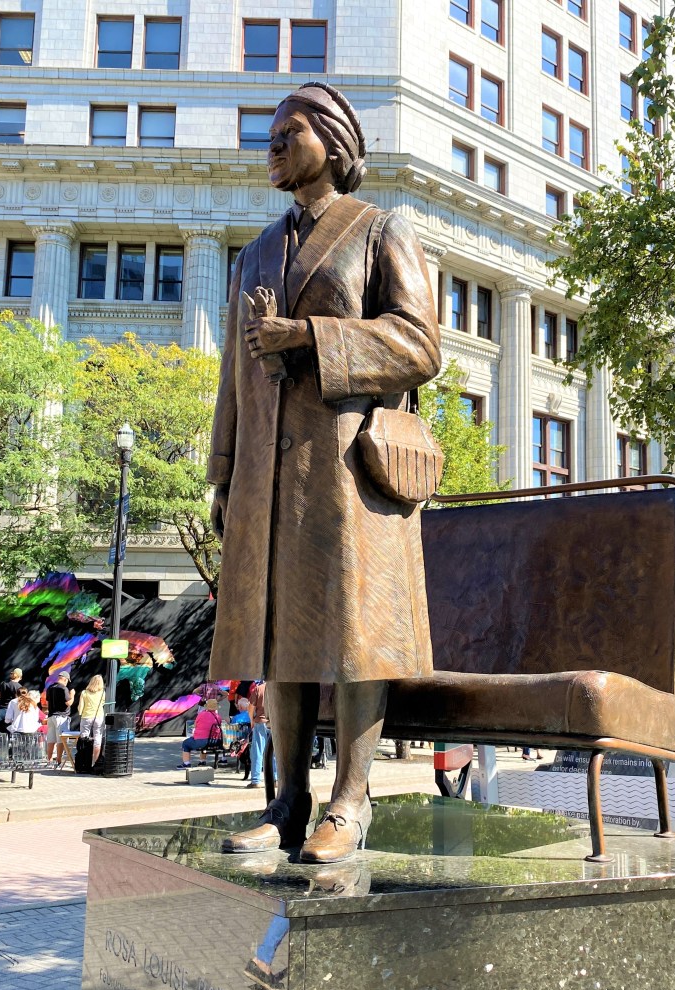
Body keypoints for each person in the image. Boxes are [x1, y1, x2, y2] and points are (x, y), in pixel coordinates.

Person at [211, 83, 440, 862]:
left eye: (291, 131)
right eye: (270, 133)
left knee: (353, 631)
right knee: (276, 634)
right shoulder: (255, 252)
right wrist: (224, 474)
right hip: (268, 479)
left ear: (335, 143)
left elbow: (419, 345)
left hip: (347, 471)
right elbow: (233, 374)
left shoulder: (379, 229)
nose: (273, 144)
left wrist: (308, 336)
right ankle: (285, 802)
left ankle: (350, 800)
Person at [178, 698, 222, 769]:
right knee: (204, 741)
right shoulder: (217, 717)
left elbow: (195, 725)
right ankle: (202, 761)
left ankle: (186, 763)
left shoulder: (201, 714)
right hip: (214, 741)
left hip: (201, 741)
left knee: (185, 743)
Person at [45, 671, 75, 766]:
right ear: (65, 679)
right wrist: (72, 694)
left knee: (51, 739)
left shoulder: (50, 688)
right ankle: (58, 761)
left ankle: (49, 759)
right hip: (61, 717)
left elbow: (47, 702)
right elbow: (69, 703)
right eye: (67, 681)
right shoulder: (63, 688)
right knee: (61, 740)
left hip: (51, 716)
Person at [78, 674, 106, 766]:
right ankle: (95, 762)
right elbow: (103, 703)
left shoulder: (84, 693)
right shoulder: (102, 693)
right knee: (98, 738)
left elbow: (80, 707)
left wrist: (80, 713)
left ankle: (85, 761)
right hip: (99, 716)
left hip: (86, 716)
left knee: (84, 738)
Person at [247, 680, 269, 789]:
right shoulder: (278, 688)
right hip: (274, 723)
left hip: (260, 722)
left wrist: (251, 720)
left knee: (258, 751)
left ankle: (255, 780)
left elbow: (251, 707)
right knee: (275, 752)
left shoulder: (259, 689)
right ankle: (275, 779)